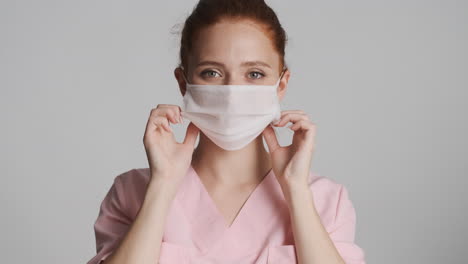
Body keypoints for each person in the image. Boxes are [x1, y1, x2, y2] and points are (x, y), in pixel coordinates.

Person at [86, 0, 366, 263]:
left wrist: (296, 191)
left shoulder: (326, 200)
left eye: (255, 74)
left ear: (281, 84)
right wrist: (163, 186)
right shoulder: (132, 192)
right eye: (212, 73)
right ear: (183, 82)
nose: (233, 93)